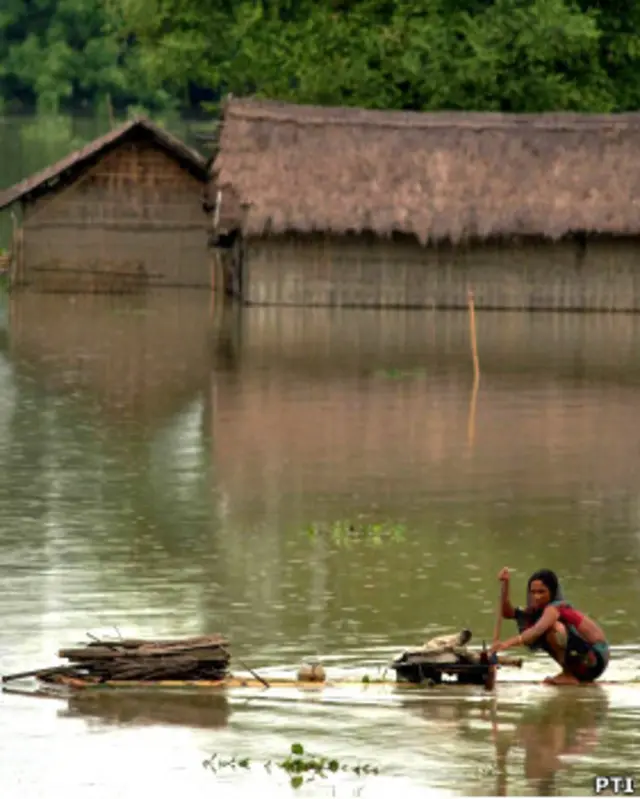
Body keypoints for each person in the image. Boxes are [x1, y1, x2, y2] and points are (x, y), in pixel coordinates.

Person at [490, 567, 609, 685]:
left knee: (553, 629)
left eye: (541, 592)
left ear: (551, 592)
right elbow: (507, 612)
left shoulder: (555, 608)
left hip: (595, 659)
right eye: (533, 592)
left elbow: (536, 631)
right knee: (546, 631)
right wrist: (506, 584)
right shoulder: (535, 611)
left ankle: (569, 675)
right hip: (583, 659)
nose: (536, 596)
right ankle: (571, 673)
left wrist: (505, 644)